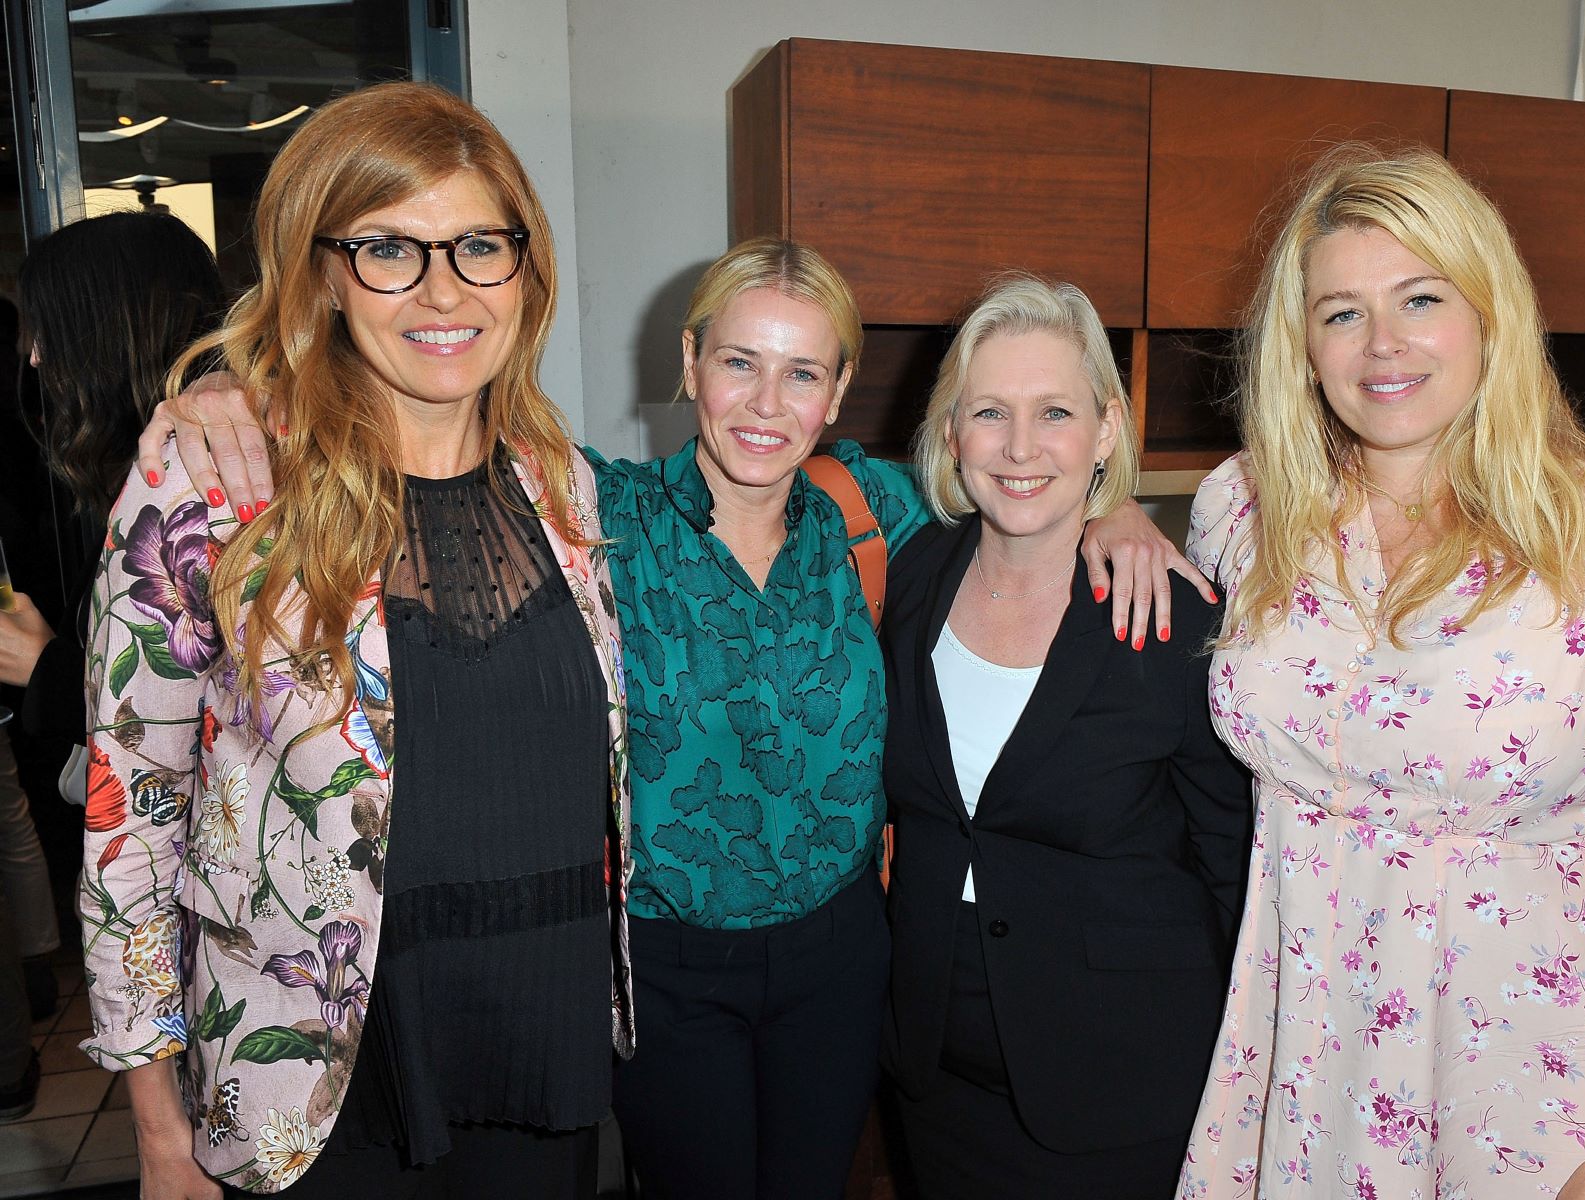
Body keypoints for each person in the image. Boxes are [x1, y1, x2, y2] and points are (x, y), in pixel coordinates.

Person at [141, 236, 1206, 1199]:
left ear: (837, 391)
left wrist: (1121, 517)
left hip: (844, 960)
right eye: (740, 362)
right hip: (665, 972)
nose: (765, 402)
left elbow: (1026, 480)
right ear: (689, 364)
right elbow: (425, 408)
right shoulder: (594, 512)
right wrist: (242, 393)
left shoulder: (876, 513)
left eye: (802, 372)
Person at [1177, 146, 1585, 1199]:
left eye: (1420, 297)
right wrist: (1102, 525)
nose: (1383, 345)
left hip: (1522, 1098)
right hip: (1303, 1079)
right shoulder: (1248, 516)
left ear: (1491, 314)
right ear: (1302, 344)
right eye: (1341, 311)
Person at [80, 81, 632, 1197]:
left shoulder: (562, 479)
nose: (445, 289)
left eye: (481, 244)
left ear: (526, 267)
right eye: (390, 247)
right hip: (326, 1085)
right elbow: (128, 810)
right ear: (324, 273)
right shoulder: (212, 483)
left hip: (549, 1046)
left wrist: (1092, 496)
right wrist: (154, 1123)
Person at [879, 275, 1252, 1199]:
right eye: (988, 413)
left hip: (1115, 1082)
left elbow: (1231, 864)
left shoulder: (1170, 614)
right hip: (933, 1074)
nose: (1018, 448)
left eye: (1054, 412)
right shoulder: (917, 571)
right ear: (951, 432)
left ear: (1107, 430)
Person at [0, 212, 224, 1120]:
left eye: (47, 331)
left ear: (109, 325)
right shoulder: (159, 457)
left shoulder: (201, 466)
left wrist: (51, 671)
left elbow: (221, 715)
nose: (36, 361)